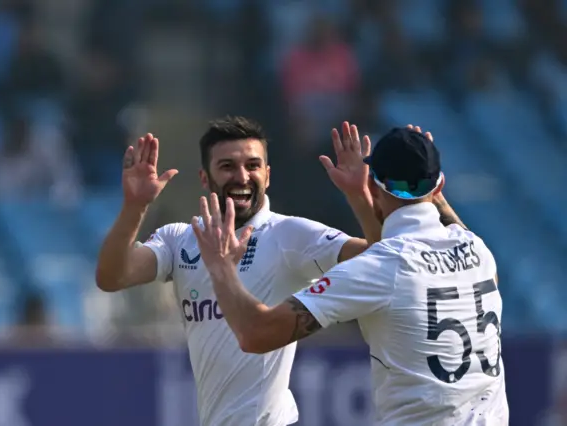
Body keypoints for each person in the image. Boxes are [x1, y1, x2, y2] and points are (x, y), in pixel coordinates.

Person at [192, 126, 508, 425]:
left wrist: (220, 266)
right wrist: (423, 180)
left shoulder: (382, 266)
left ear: (374, 184)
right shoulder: (476, 250)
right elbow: (463, 259)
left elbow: (256, 334)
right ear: (438, 185)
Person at [96, 116, 381, 426]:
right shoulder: (180, 238)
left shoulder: (290, 235)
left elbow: (384, 259)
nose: (242, 176)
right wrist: (135, 206)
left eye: (253, 165)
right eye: (227, 166)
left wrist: (360, 199)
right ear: (205, 178)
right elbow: (112, 277)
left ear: (268, 175)